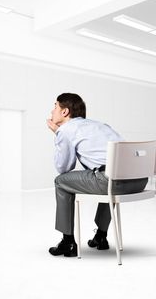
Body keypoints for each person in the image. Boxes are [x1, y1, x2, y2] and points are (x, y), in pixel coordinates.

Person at [46, 93, 148, 257]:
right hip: (139, 181)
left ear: (65, 112)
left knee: (60, 181)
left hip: (115, 182)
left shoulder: (65, 130)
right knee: (109, 173)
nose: (52, 111)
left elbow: (63, 168)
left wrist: (58, 135)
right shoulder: (101, 125)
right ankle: (101, 236)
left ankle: (68, 242)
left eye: (55, 106)